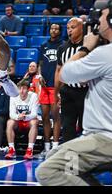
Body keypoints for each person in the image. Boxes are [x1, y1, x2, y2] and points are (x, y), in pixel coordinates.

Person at [37, 0, 112, 186]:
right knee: (57, 155)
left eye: (103, 15)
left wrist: (85, 48)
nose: (98, 21)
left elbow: (66, 73)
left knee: (48, 170)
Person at [54, 18, 88, 143]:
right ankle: (71, 159)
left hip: (86, 92)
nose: (70, 30)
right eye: (68, 28)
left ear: (81, 28)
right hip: (67, 91)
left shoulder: (88, 46)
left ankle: (87, 156)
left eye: (73, 27)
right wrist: (56, 93)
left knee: (86, 126)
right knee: (67, 127)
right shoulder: (62, 48)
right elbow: (58, 71)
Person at [38, 23, 64, 157]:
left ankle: (55, 147)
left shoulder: (63, 45)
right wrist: (39, 75)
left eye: (56, 28)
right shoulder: (44, 45)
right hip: (44, 86)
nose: (53, 30)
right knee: (45, 116)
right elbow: (40, 64)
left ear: (59, 31)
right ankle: (47, 147)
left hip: (56, 86)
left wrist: (60, 85)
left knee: (56, 116)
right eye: (52, 28)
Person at [5, 79, 40, 160]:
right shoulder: (13, 96)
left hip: (29, 121)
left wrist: (25, 117)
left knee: (34, 122)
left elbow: (34, 113)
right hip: (18, 122)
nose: (21, 91)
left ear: (28, 89)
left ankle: (29, 150)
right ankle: (11, 149)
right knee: (9, 122)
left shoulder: (34, 96)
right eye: (20, 88)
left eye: (24, 88)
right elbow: (11, 114)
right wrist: (18, 117)